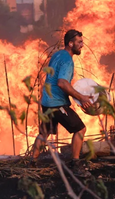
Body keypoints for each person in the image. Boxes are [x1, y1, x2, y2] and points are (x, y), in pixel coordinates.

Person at [31, 29, 93, 177]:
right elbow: (62, 83)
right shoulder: (67, 59)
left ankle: (31, 161)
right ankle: (75, 164)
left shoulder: (57, 54)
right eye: (79, 42)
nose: (82, 45)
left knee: (44, 133)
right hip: (56, 104)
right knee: (80, 129)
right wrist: (82, 97)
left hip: (46, 100)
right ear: (70, 43)